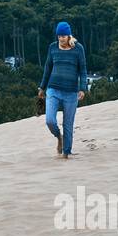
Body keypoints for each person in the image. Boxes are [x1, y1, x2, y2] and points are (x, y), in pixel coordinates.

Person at [37, 21, 87, 159]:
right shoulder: (52, 47)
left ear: (69, 35)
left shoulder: (78, 49)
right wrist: (42, 87)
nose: (61, 38)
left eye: (64, 35)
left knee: (68, 125)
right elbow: (47, 68)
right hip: (53, 90)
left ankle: (66, 154)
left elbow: (83, 70)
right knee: (50, 120)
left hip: (71, 92)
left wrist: (83, 88)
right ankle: (59, 136)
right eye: (59, 36)